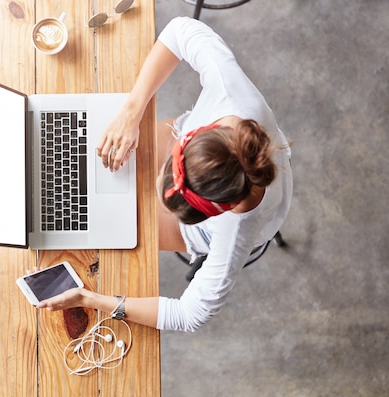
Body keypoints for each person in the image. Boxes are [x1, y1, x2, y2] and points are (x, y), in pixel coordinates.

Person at [36, 16, 293, 332]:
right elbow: (180, 29)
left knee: (103, 223)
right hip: (212, 166)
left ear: (216, 210)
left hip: (207, 230)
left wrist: (92, 300)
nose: (155, 175)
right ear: (189, 139)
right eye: (166, 171)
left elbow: (190, 314)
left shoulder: (235, 231)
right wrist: (131, 113)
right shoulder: (230, 92)